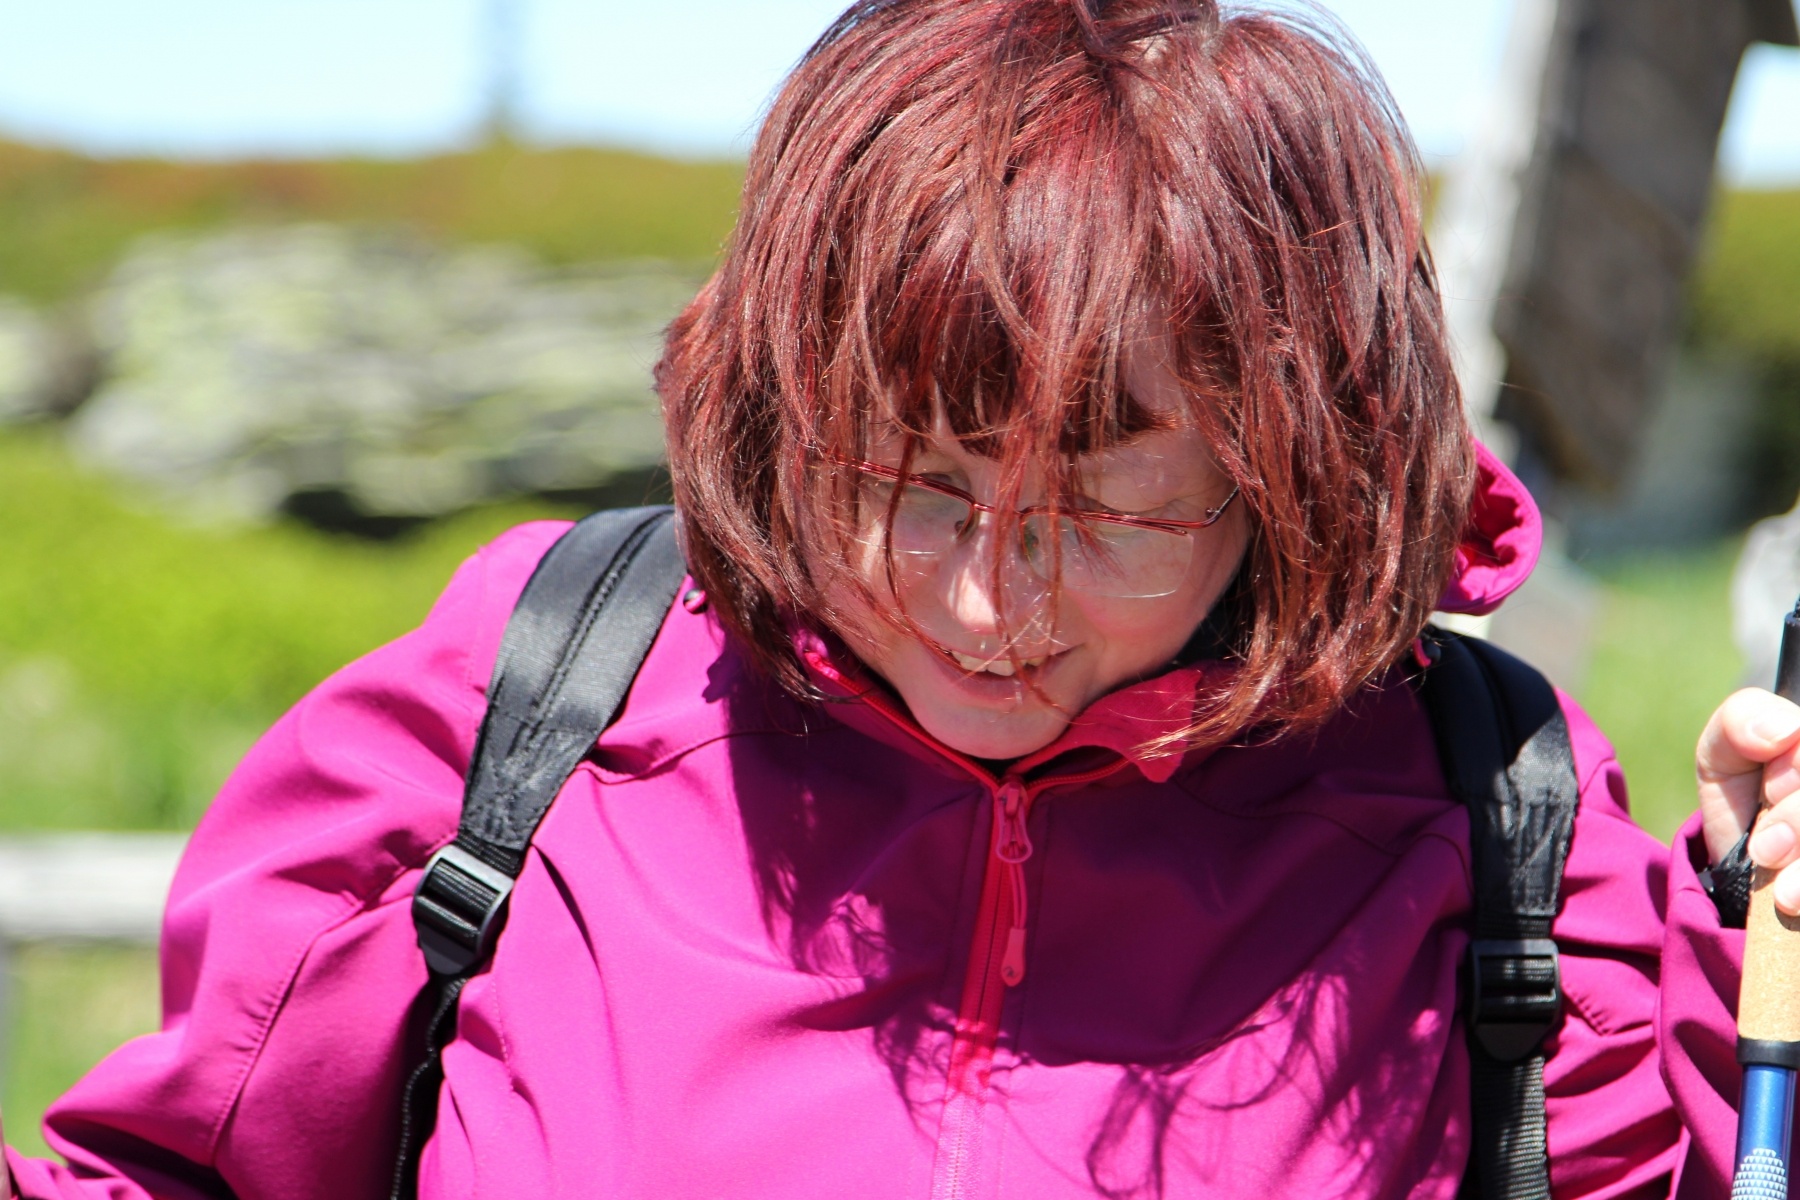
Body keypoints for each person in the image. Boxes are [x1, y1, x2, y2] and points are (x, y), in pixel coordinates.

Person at [5, 1, 1800, 1196]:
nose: (987, 606)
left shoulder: (1492, 830)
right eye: (908, 480)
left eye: (1115, 509)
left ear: (1294, 474)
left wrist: (1759, 946)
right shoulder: (534, 695)